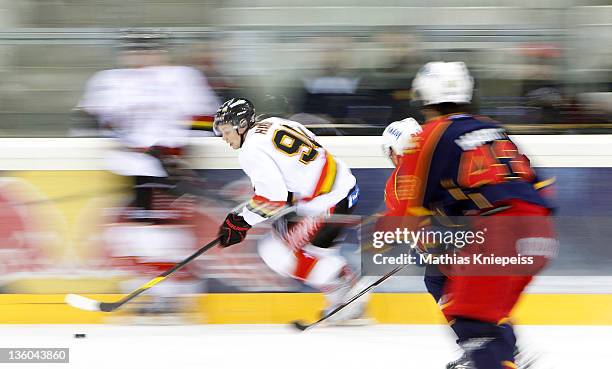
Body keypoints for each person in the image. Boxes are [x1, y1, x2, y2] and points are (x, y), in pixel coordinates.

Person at [381, 62, 556, 369]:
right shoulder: (492, 129)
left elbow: (405, 215)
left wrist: (419, 238)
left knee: (470, 317)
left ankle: (496, 356)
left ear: (422, 96)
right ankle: (499, 354)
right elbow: (539, 187)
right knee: (479, 312)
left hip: (499, 232)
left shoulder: (428, 138)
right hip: (539, 232)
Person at [74, 29, 221, 320]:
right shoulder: (110, 80)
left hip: (170, 166)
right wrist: (127, 144)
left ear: (161, 51)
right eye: (136, 49)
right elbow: (88, 120)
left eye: (148, 48)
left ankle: (174, 291)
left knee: (166, 228)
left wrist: (176, 151)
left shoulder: (182, 77)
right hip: (131, 168)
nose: (142, 55)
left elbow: (207, 119)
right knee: (137, 228)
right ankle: (149, 289)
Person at [214, 98, 368, 324]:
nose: (224, 138)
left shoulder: (249, 150)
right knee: (316, 253)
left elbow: (273, 199)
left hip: (328, 201)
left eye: (227, 131)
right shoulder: (275, 123)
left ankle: (348, 287)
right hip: (343, 189)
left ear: (242, 125)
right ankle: (346, 304)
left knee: (276, 252)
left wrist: (239, 222)